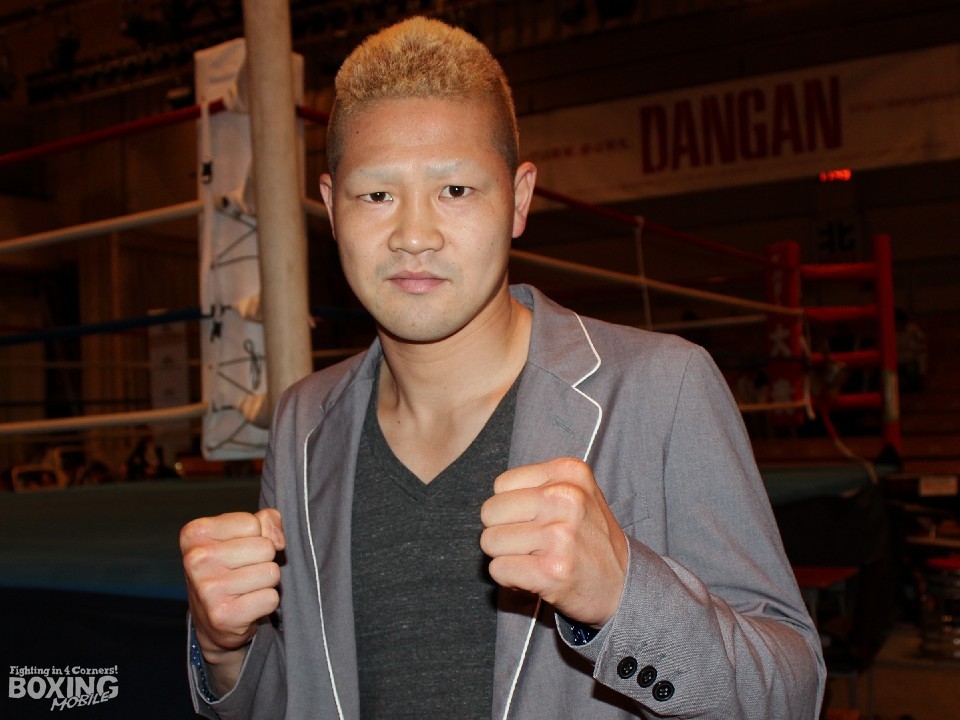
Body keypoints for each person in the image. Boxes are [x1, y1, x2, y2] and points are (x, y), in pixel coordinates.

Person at [180, 16, 825, 719]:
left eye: (456, 190)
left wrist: (626, 598)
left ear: (518, 200)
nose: (414, 236)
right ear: (333, 208)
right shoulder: (305, 419)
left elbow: (792, 691)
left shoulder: (663, 390)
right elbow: (301, 696)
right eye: (377, 195)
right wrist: (224, 649)